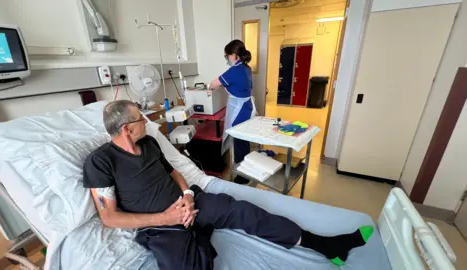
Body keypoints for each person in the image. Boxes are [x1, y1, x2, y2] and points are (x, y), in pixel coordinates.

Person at [83, 100, 374, 270]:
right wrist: (168, 217)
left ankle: (326, 245)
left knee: (247, 211)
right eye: (140, 119)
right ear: (126, 128)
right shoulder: (101, 162)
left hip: (192, 204)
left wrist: (186, 195)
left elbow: (173, 173)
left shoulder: (148, 143)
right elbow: (109, 218)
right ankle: (197, 238)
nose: (146, 122)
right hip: (159, 226)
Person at [209, 40, 255, 184]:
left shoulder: (234, 71)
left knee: (238, 141)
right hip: (247, 107)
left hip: (239, 110)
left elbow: (212, 85)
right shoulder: (247, 68)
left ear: (234, 55)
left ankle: (242, 175)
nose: (227, 59)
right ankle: (245, 169)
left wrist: (214, 88)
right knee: (244, 139)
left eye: (227, 56)